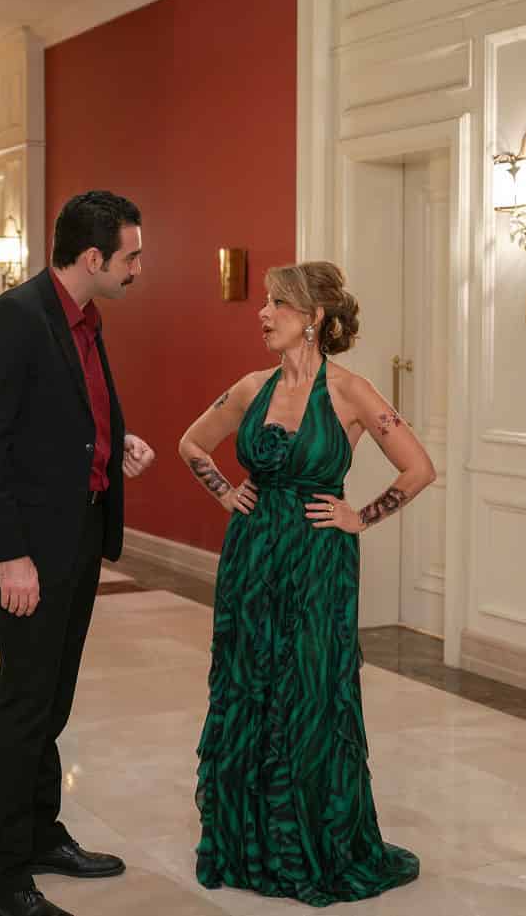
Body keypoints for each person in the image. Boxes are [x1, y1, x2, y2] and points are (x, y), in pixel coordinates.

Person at [178, 261, 430, 907]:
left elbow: (419, 468)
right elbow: (192, 444)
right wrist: (226, 492)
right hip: (252, 560)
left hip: (319, 565)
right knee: (249, 687)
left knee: (312, 692)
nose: (263, 314)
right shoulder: (250, 387)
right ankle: (249, 842)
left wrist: (359, 516)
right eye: (265, 302)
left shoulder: (351, 392)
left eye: (278, 304)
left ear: (314, 318)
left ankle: (311, 843)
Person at [0, 191, 157, 916]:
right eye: (130, 256)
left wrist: (114, 444)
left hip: (79, 534)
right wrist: (11, 555)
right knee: (23, 704)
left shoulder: (83, 318)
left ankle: (38, 833)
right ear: (93, 257)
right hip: (32, 547)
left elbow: (66, 415)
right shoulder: (15, 317)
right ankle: (1, 882)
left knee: (52, 697)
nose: (137, 269)